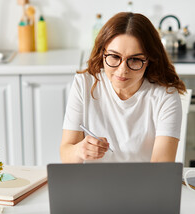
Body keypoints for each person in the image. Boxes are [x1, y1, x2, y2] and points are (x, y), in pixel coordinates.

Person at [60, 12, 186, 163]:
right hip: (92, 182)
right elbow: (66, 155)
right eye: (114, 56)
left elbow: (161, 168)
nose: (122, 70)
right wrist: (79, 151)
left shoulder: (165, 96)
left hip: (144, 184)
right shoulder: (84, 84)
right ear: (102, 53)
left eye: (134, 60)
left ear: (150, 60)